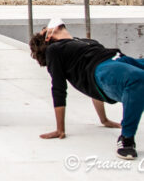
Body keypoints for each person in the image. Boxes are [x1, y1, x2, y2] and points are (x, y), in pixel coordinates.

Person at [29, 18, 140, 159]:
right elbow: (58, 88)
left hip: (120, 60)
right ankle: (126, 139)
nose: (45, 27)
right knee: (138, 79)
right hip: (105, 68)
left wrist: (104, 119)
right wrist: (60, 129)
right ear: (48, 36)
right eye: (43, 30)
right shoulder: (54, 49)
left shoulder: (82, 41)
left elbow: (92, 90)